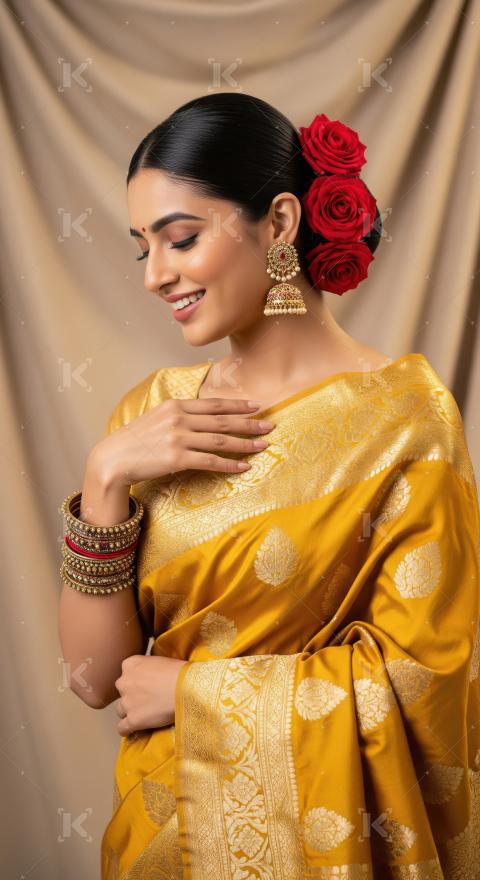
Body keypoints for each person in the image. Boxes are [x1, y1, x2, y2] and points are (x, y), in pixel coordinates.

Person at [58, 93, 480, 880]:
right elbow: (92, 682)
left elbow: (430, 681)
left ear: (281, 224)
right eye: (140, 247)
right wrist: (105, 475)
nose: (155, 276)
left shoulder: (405, 418)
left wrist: (196, 693)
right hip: (160, 837)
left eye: (180, 239)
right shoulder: (150, 415)